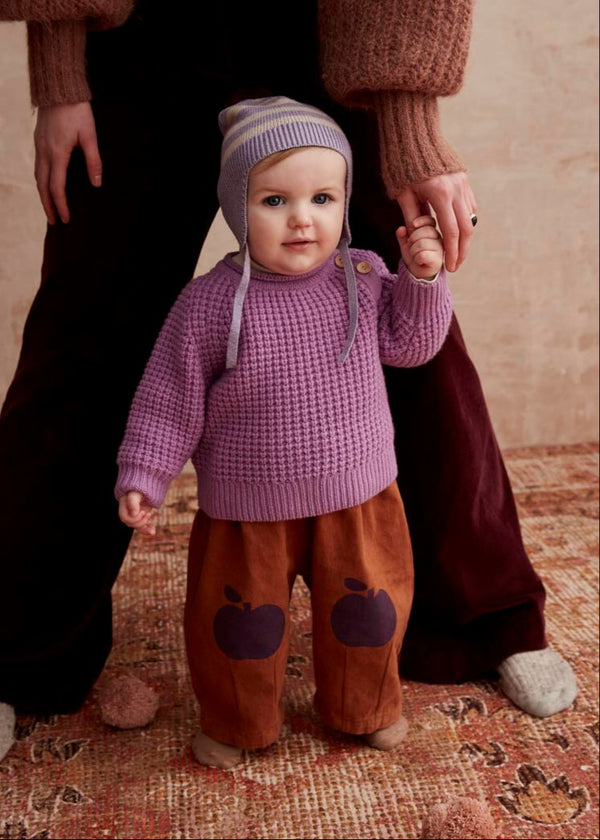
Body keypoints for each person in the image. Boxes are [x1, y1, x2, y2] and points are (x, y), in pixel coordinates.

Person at [0, 0, 576, 764]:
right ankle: (14, 649)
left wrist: (406, 117)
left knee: (409, 279)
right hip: (139, 24)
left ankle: (487, 612)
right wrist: (61, 73)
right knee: (87, 317)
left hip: (342, 18)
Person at [115, 96, 452, 768]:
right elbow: (168, 398)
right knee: (237, 629)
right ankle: (238, 722)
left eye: (323, 197)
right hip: (247, 510)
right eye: (274, 201)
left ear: (344, 203)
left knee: (370, 616)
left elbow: (412, 345)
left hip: (358, 496)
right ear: (237, 206)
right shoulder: (209, 303)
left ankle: (365, 707)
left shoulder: (361, 277)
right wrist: (144, 475)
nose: (303, 218)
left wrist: (421, 276)